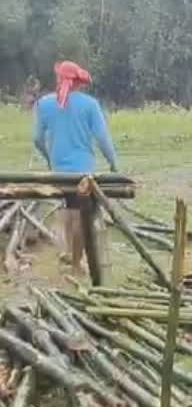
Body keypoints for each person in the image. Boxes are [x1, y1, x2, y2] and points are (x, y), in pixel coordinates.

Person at [33, 61, 119, 275]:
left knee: (68, 208)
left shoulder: (45, 104)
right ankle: (76, 262)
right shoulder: (90, 105)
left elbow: (37, 139)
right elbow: (102, 138)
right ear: (79, 82)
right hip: (82, 171)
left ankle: (71, 254)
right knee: (80, 214)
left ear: (59, 79)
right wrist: (113, 162)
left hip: (59, 170)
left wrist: (49, 158)